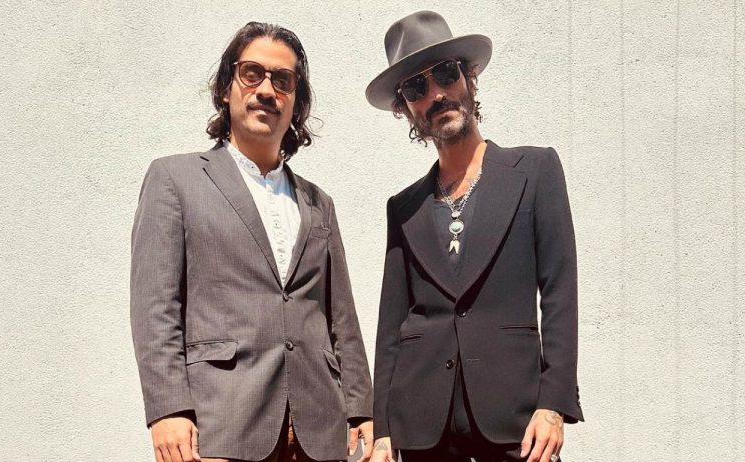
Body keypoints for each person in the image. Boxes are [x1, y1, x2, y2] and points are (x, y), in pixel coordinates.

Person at [131, 21, 373, 462]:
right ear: (227, 88)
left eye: (283, 80)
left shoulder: (318, 202)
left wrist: (361, 408)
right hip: (221, 422)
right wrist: (168, 408)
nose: (266, 90)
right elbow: (155, 306)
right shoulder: (175, 179)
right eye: (252, 74)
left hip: (318, 429)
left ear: (296, 101)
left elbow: (342, 316)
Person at [365, 11, 583, 462]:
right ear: (404, 108)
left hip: (515, 419)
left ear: (469, 76)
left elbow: (560, 292)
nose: (436, 94)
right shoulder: (403, 207)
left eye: (446, 73)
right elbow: (391, 326)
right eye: (416, 87)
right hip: (423, 426)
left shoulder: (535, 171)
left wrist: (554, 403)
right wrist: (384, 428)